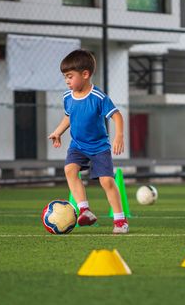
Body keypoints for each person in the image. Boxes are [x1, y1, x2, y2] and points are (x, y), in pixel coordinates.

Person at [48, 49, 128, 234]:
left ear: (85, 74)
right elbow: (69, 117)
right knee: (69, 170)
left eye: (70, 76)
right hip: (77, 145)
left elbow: (116, 116)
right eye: (65, 77)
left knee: (107, 181)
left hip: (99, 147)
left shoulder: (98, 97)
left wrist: (119, 136)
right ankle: (85, 210)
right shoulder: (67, 97)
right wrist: (58, 132)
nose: (67, 81)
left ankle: (120, 221)